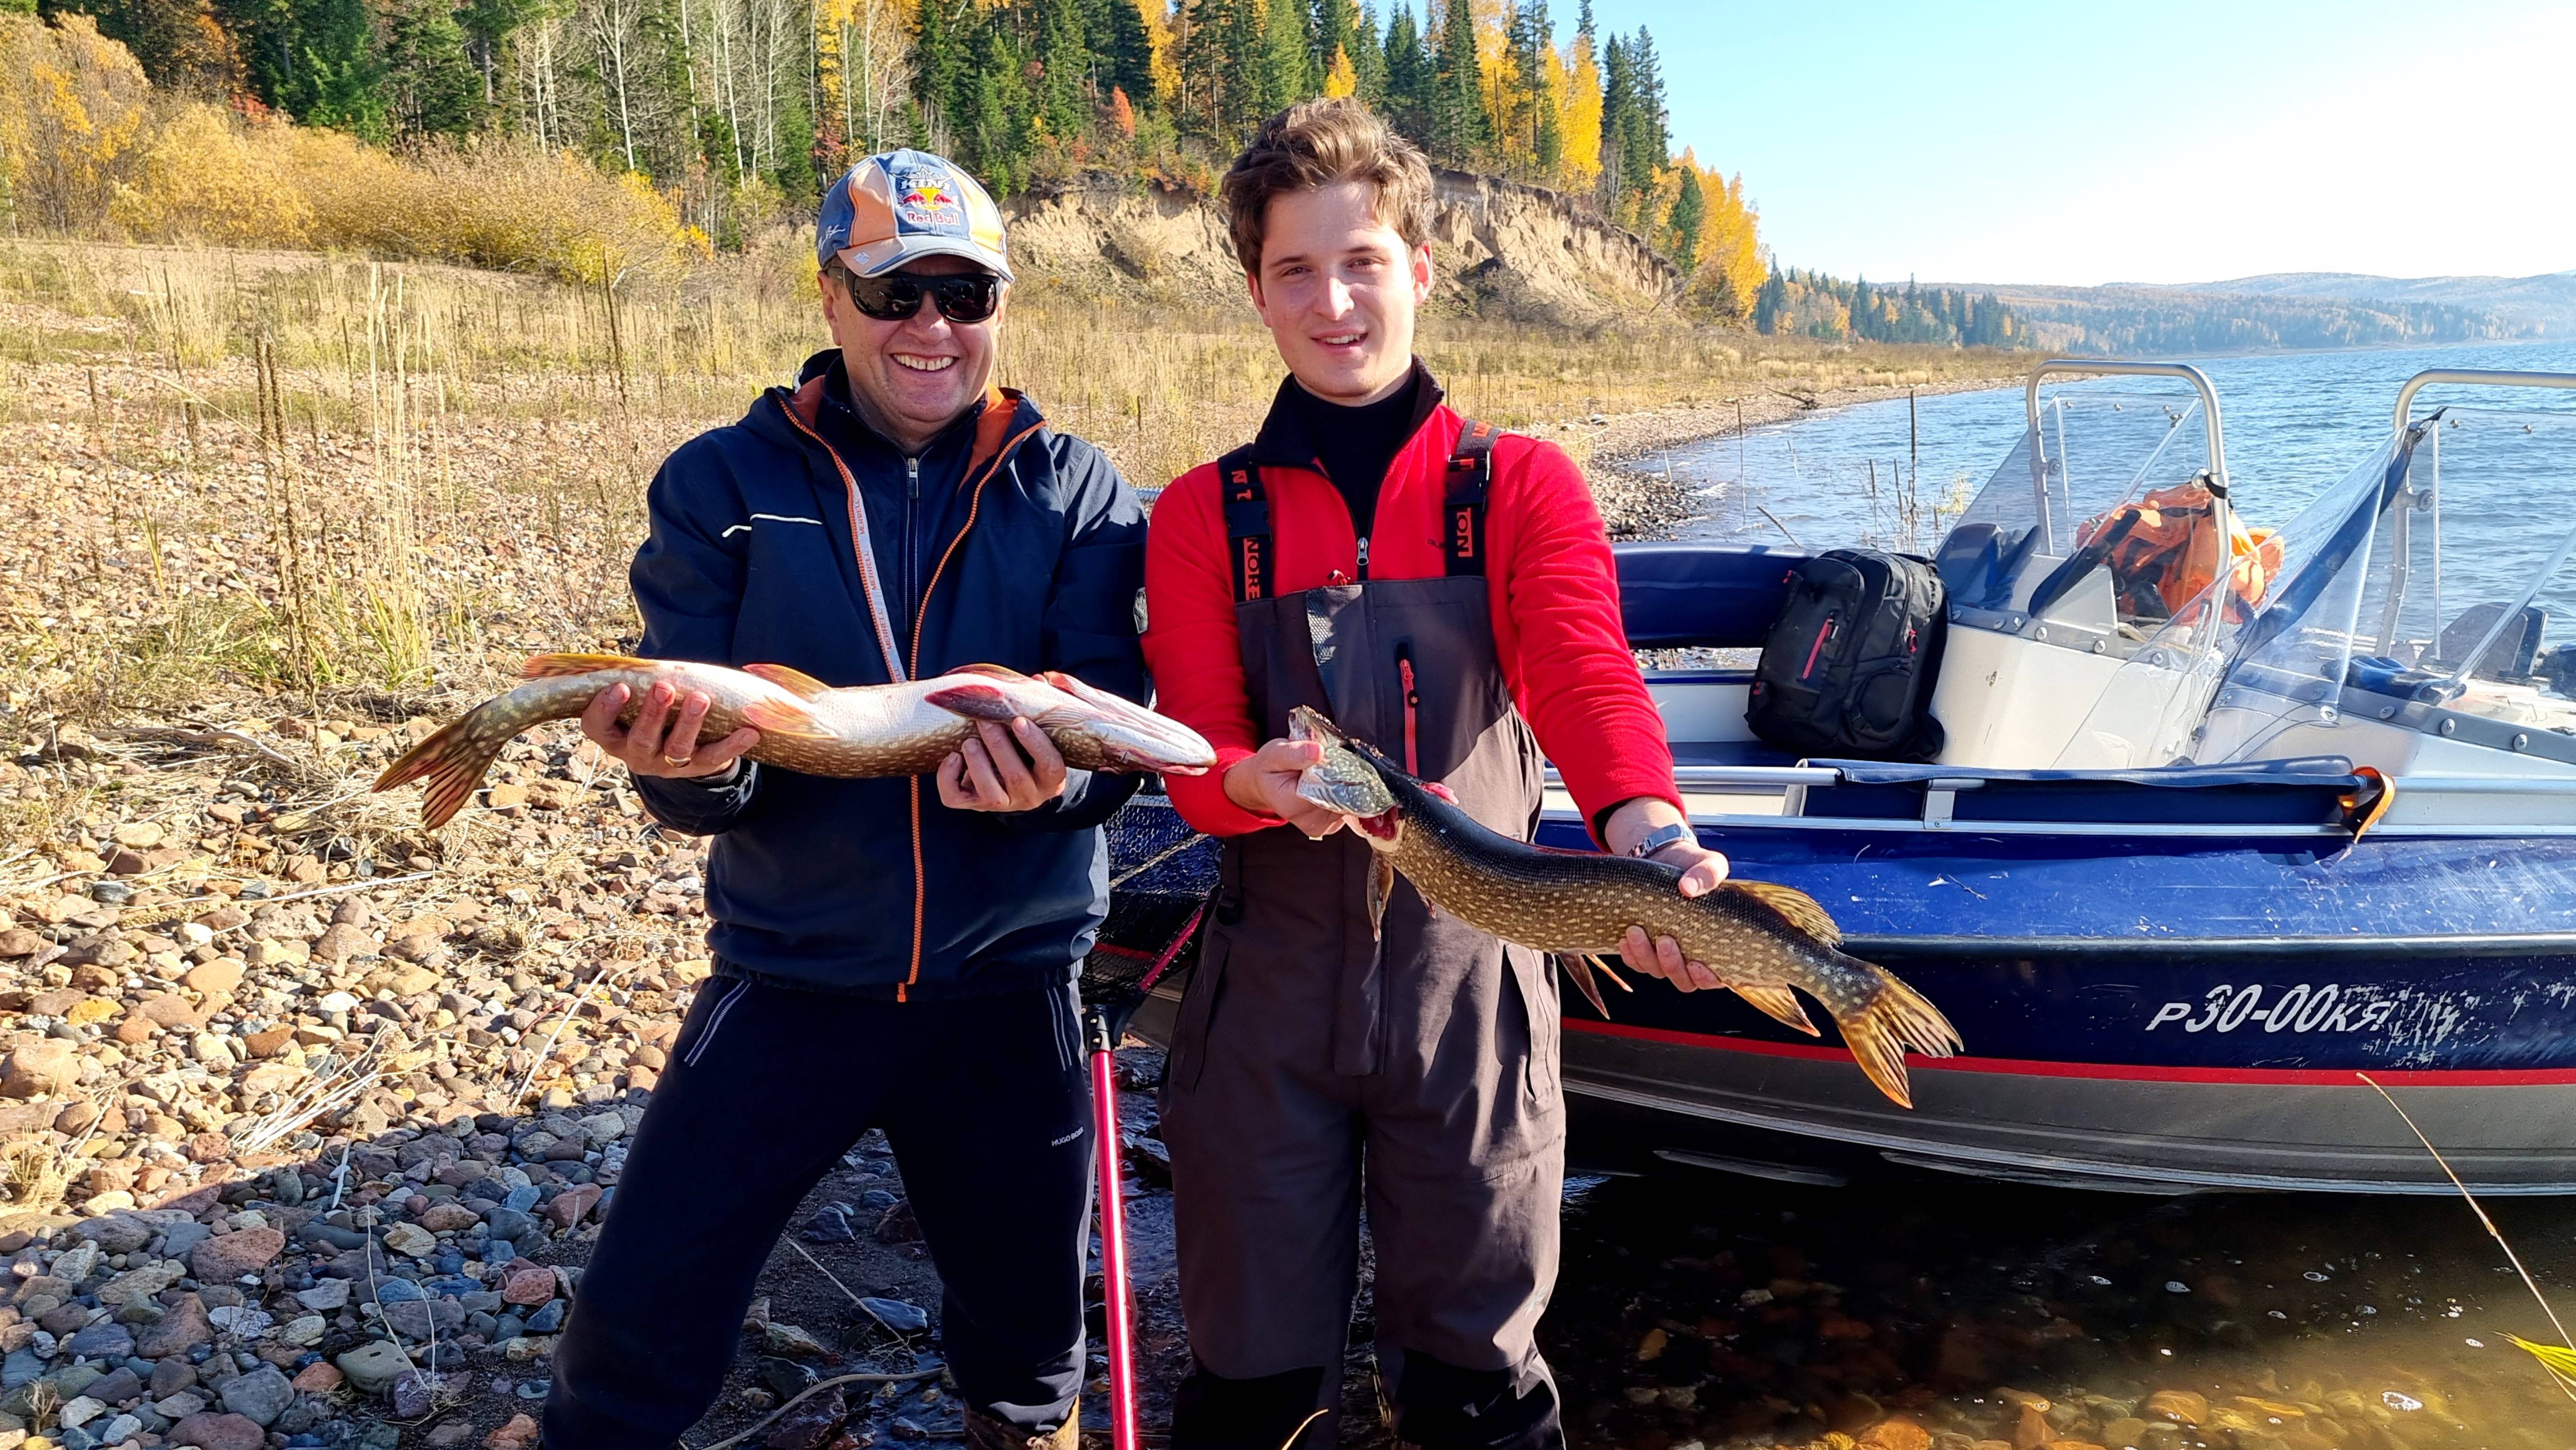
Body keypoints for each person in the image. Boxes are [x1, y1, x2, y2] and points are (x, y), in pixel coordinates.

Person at [1140, 99, 1733, 1450]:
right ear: (1256, 291)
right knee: (1248, 1389)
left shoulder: (1521, 484)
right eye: (1296, 269)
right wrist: (1252, 787)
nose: (1333, 299)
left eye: (1363, 261)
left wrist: (1650, 831)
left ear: (1421, 266)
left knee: (1479, 1390)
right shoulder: (1199, 517)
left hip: (1478, 995)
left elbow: (1585, 674)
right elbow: (1196, 751)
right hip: (1263, 1012)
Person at [543, 148, 1146, 1450]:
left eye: (966, 294)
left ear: (1001, 307)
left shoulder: (1079, 490)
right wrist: (691, 775)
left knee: (1032, 1323)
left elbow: (1106, 737)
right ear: (831, 300)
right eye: (894, 294)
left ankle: (1022, 1433)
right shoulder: (722, 484)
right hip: (793, 972)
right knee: (642, 1309)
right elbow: (708, 766)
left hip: (1011, 974)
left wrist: (1049, 795)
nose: (933, 327)